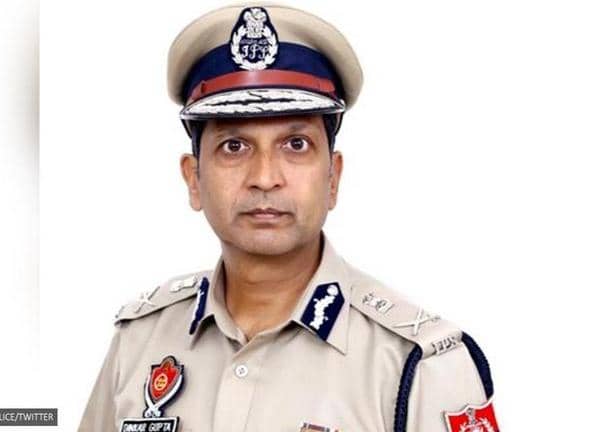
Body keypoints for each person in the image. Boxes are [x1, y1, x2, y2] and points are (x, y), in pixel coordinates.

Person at [78, 3, 499, 432]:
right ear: (194, 179)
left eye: (296, 144)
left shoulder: (419, 364)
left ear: (333, 177)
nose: (264, 178)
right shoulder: (139, 341)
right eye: (234, 147)